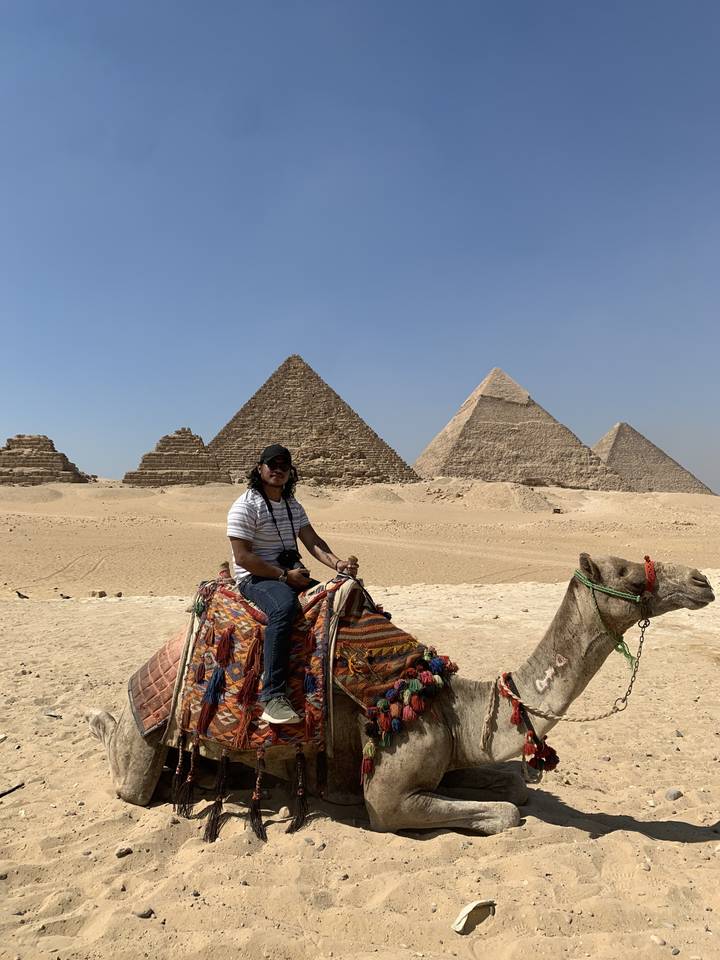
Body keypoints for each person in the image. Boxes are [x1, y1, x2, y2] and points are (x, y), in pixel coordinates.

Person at [227, 444, 359, 724]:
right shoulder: (245, 505)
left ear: (291, 471)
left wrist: (338, 564)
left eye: (284, 465)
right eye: (272, 464)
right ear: (259, 468)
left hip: (291, 572)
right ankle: (272, 696)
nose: (278, 469)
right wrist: (283, 577)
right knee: (284, 608)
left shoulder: (292, 505)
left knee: (335, 596)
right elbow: (243, 556)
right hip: (256, 577)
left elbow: (312, 541)